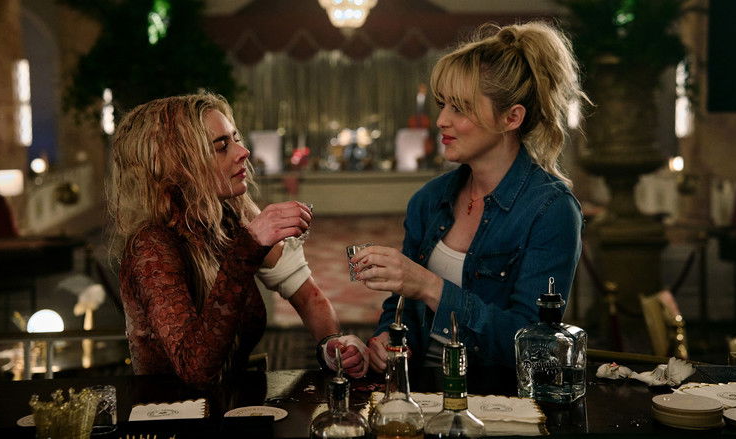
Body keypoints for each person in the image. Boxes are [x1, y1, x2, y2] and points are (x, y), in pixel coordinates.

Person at [354, 22, 587, 374]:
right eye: (442, 104)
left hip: (495, 398)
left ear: (511, 117)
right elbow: (401, 308)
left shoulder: (551, 210)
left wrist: (430, 286)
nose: (441, 120)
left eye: (460, 108)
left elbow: (534, 349)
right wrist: (389, 340)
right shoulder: (428, 200)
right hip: (419, 392)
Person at [109, 93, 367, 385]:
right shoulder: (151, 247)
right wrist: (249, 246)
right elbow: (196, 371)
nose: (243, 152)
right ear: (178, 165)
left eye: (236, 139)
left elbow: (308, 296)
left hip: (232, 405)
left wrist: (333, 347)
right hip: (176, 412)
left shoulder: (227, 218)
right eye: (221, 147)